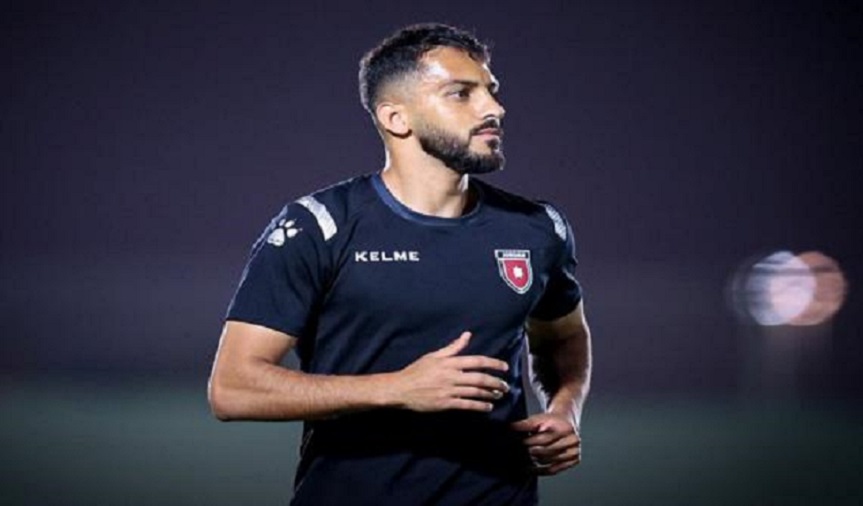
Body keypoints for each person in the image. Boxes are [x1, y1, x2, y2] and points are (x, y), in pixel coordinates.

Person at [208, 22, 592, 506]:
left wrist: (564, 410)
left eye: (491, 91)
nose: (494, 108)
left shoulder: (536, 228)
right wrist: (397, 388)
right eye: (462, 94)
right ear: (396, 118)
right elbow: (233, 388)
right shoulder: (319, 226)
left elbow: (562, 338)